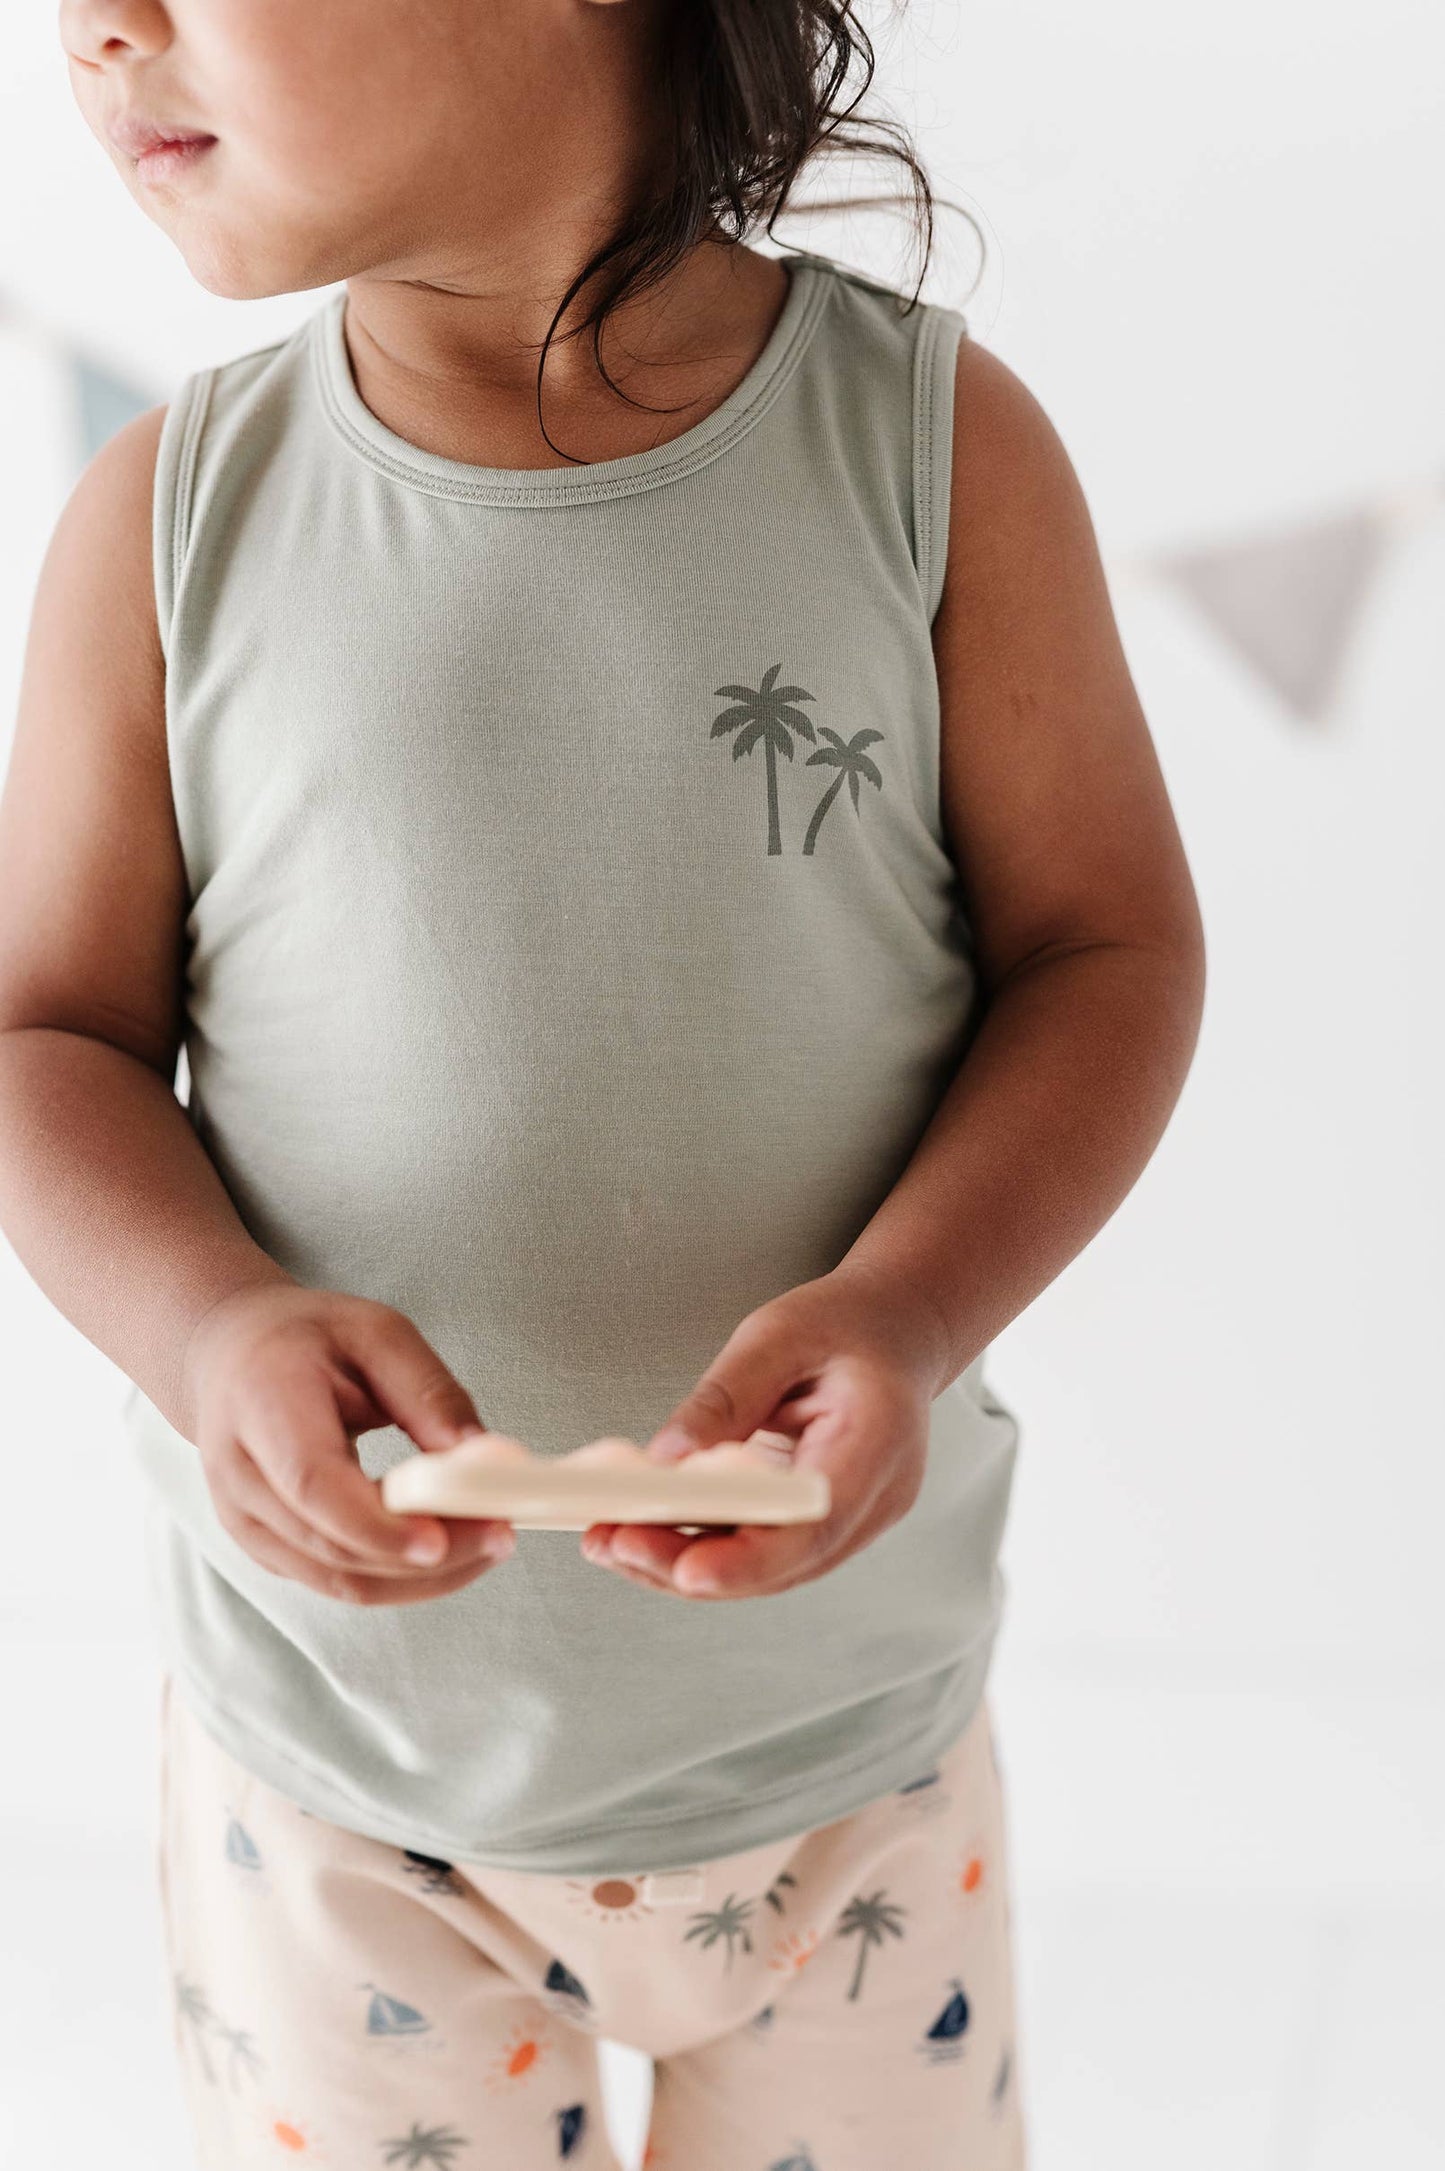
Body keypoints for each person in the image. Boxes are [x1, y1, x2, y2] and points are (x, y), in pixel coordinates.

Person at [0, 1, 1206, 2163]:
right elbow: (42, 1041)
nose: (100, 29)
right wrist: (212, 1329)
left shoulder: (930, 450)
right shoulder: (167, 521)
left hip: (845, 1759)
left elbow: (1103, 956)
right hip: (336, 1790)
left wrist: (909, 1315)